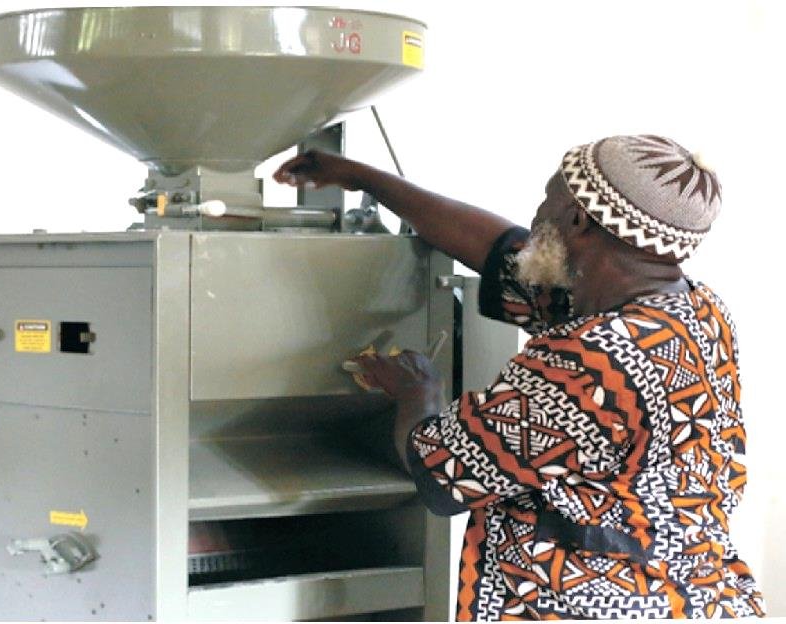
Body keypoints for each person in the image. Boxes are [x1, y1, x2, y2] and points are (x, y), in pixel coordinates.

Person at [274, 135, 766, 620]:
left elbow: (438, 472)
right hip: (697, 594)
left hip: (601, 603)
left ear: (577, 219)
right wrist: (358, 176)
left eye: (548, 195)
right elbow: (497, 249)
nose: (537, 214)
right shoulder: (694, 311)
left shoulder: (587, 363)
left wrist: (417, 392)